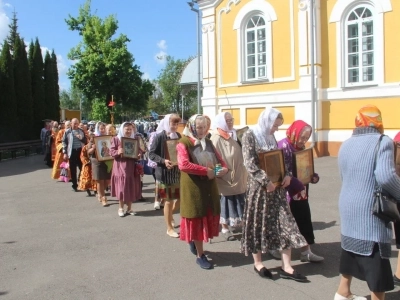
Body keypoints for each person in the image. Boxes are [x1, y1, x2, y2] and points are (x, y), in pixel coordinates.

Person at [335, 105, 400, 300]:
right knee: (375, 256)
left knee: (350, 249)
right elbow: (386, 176)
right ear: (378, 122)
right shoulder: (382, 141)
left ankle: (343, 292)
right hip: (369, 209)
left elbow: (343, 175)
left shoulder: (345, 143)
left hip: (348, 204)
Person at [240, 108, 308, 282]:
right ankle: (258, 263)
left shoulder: (270, 136)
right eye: (275, 125)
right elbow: (250, 163)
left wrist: (286, 175)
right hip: (260, 190)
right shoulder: (250, 135)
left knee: (286, 224)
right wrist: (265, 181)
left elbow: (279, 160)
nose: (276, 129)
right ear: (267, 121)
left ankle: (287, 266)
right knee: (258, 224)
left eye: (278, 126)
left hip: (276, 190)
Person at [177, 114, 228, 269]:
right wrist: (205, 171)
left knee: (205, 214)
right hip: (194, 188)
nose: (202, 130)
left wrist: (221, 170)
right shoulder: (183, 142)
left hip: (209, 187)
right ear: (192, 126)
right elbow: (183, 164)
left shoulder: (208, 142)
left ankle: (194, 242)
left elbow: (220, 162)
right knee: (197, 216)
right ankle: (200, 256)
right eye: (199, 127)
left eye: (205, 127)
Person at [276, 120, 324, 263]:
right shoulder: (284, 146)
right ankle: (277, 248)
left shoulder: (301, 147)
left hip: (301, 192)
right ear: (294, 133)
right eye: (302, 137)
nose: (304, 140)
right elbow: (281, 172)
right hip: (287, 194)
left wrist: (312, 176)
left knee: (303, 220)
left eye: (307, 137)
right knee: (286, 223)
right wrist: (296, 181)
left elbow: (305, 168)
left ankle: (306, 251)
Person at [210, 112, 247, 240]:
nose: (230, 122)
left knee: (239, 198)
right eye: (227, 120)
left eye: (231, 119)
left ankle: (237, 223)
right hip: (226, 176)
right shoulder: (216, 138)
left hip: (238, 174)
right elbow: (212, 159)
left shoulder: (234, 134)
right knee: (226, 201)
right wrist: (220, 171)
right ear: (221, 122)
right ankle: (224, 226)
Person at [149, 114, 182, 238]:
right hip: (164, 174)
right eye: (173, 123)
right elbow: (151, 154)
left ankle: (170, 215)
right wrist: (163, 161)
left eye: (177, 124)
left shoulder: (178, 136)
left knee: (179, 199)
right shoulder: (159, 136)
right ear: (168, 123)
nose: (175, 126)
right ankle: (169, 228)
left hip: (176, 172)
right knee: (167, 201)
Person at [110, 122, 142, 217]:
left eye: (130, 129)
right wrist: (118, 151)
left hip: (131, 166)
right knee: (121, 187)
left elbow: (139, 150)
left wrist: (139, 154)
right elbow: (111, 152)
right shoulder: (116, 139)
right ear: (122, 129)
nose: (128, 131)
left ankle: (129, 208)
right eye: (126, 129)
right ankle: (120, 208)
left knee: (130, 186)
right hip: (120, 166)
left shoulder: (134, 139)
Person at [62, 118, 87, 192]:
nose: (76, 125)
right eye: (74, 123)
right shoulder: (67, 132)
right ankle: (74, 185)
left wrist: (81, 138)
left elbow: (85, 141)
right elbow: (64, 142)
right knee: (73, 169)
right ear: (71, 124)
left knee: (82, 167)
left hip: (80, 151)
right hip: (71, 152)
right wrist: (65, 153)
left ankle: (80, 180)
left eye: (77, 123)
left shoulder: (81, 131)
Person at [92, 122, 112, 206]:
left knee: (107, 181)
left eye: (104, 128)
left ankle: (100, 193)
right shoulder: (94, 137)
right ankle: (103, 197)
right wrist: (93, 148)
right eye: (101, 128)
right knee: (100, 180)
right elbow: (88, 151)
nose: (103, 130)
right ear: (98, 129)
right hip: (97, 161)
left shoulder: (108, 138)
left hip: (107, 161)